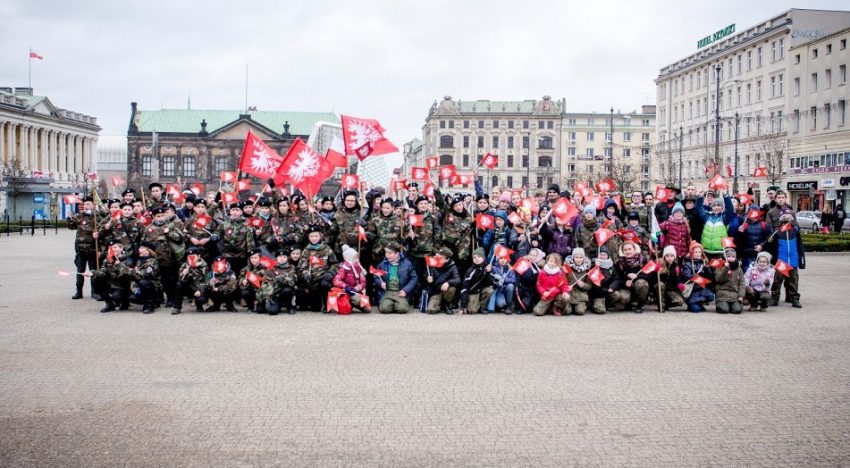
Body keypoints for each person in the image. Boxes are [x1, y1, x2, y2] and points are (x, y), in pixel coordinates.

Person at [767, 213, 805, 308]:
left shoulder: (795, 232)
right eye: (785, 219)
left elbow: (800, 246)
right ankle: (774, 298)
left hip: (793, 260)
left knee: (793, 282)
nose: (787, 221)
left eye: (789, 219)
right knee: (777, 282)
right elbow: (770, 245)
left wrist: (801, 260)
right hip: (781, 261)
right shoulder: (777, 232)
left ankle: (794, 299)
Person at [298, 226, 338, 312]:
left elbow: (335, 264)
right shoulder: (306, 251)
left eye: (316, 236)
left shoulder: (327, 249)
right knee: (315, 308)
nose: (314, 238)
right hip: (312, 281)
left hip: (323, 279)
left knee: (325, 285)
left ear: (320, 236)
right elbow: (302, 267)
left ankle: (327, 305)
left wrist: (330, 273)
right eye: (311, 236)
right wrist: (305, 273)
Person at [68, 196, 100, 300]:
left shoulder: (98, 217)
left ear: (93, 205)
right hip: (80, 249)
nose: (86, 206)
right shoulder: (79, 216)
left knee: (93, 271)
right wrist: (69, 218)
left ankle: (95, 291)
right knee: (80, 270)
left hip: (93, 248)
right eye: (85, 204)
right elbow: (71, 226)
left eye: (88, 204)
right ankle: (79, 292)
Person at [87, 239, 133, 312]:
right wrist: (92, 273)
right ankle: (109, 304)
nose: (113, 249)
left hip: (124, 285)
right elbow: (103, 271)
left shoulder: (128, 259)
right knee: (97, 279)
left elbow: (129, 273)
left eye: (115, 247)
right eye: (112, 248)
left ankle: (125, 302)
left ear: (121, 248)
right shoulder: (108, 259)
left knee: (116, 296)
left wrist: (119, 265)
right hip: (112, 283)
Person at [374, 242, 418, 314]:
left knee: (402, 309)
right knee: (384, 309)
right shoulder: (382, 264)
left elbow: (414, 278)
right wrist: (380, 283)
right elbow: (376, 276)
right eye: (386, 252)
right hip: (387, 291)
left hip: (400, 291)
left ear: (397, 254)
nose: (386, 255)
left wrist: (405, 290)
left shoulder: (407, 263)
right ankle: (389, 303)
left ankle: (397, 303)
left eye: (389, 253)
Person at [695, 190, 735, 257]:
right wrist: (700, 197)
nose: (716, 207)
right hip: (706, 250)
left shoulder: (724, 217)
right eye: (714, 206)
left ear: (722, 208)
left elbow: (730, 209)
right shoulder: (707, 216)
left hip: (719, 251)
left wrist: (726, 196)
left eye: (719, 205)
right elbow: (699, 209)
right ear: (711, 207)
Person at [616, 240, 652, 313]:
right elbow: (617, 278)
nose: (628, 251)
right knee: (623, 298)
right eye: (625, 250)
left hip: (639, 285)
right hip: (627, 287)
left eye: (630, 249)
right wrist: (625, 281)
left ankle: (640, 304)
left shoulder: (643, 260)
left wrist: (636, 276)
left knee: (641, 283)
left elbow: (650, 277)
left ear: (634, 249)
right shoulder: (620, 263)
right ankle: (629, 303)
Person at [424, 247, 461, 315]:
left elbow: (458, 280)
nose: (436, 257)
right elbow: (427, 275)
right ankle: (441, 304)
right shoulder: (433, 264)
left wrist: (448, 282)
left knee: (452, 289)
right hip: (437, 290)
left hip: (447, 290)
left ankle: (447, 305)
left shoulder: (453, 267)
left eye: (439, 256)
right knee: (431, 310)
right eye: (437, 255)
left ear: (446, 258)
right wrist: (428, 278)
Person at [332, 245, 369, 313]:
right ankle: (346, 303)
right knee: (345, 309)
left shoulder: (359, 268)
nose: (357, 260)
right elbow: (336, 280)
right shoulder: (343, 268)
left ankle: (353, 303)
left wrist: (355, 289)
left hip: (355, 291)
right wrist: (345, 286)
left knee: (367, 309)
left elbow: (363, 282)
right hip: (345, 291)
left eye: (357, 258)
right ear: (348, 258)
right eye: (354, 258)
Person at [172, 247, 208, 314]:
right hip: (188, 288)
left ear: (199, 256)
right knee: (179, 285)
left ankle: (199, 305)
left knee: (202, 299)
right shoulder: (184, 265)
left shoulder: (204, 266)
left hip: (198, 288)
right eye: (189, 256)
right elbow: (181, 280)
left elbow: (206, 281)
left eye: (193, 256)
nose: (191, 258)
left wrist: (200, 290)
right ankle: (177, 307)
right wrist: (185, 274)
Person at [458, 248, 493, 314]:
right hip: (473, 291)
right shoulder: (470, 271)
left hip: (482, 290)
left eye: (479, 257)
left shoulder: (488, 268)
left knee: (489, 290)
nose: (476, 258)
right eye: (474, 257)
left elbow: (491, 283)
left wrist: (488, 272)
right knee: (472, 311)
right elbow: (464, 288)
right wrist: (463, 306)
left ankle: (482, 307)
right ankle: (467, 304)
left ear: (483, 258)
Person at [682, 242, 714, 312]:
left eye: (699, 252)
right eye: (695, 252)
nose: (698, 254)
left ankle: (701, 303)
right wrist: (697, 278)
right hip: (693, 288)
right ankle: (691, 304)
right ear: (691, 253)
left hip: (702, 287)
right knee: (695, 310)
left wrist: (707, 268)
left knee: (711, 296)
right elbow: (687, 275)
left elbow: (710, 276)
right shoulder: (688, 263)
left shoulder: (704, 262)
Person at [131, 241, 162, 314]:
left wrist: (133, 271)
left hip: (153, 285)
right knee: (132, 297)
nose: (139, 249)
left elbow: (147, 275)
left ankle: (149, 306)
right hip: (141, 284)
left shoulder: (153, 261)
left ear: (148, 251)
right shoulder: (139, 261)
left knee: (143, 282)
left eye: (142, 248)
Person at [714, 247, 746, 314]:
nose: (731, 258)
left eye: (733, 256)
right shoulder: (719, 266)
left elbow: (742, 283)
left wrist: (741, 295)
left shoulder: (739, 269)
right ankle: (720, 304)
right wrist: (725, 268)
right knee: (724, 310)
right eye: (728, 256)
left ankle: (734, 305)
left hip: (734, 295)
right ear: (725, 257)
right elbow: (720, 280)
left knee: (737, 310)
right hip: (722, 294)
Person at [589, 247, 619, 314]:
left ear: (607, 255)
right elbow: (593, 281)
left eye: (604, 255)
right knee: (600, 310)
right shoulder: (593, 265)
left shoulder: (611, 265)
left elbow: (616, 278)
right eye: (601, 254)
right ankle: (595, 304)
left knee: (616, 295)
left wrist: (612, 287)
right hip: (598, 293)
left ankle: (608, 305)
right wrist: (595, 267)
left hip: (609, 289)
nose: (602, 256)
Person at [515, 248, 544, 314]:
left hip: (534, 289)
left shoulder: (537, 266)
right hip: (524, 288)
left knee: (533, 305)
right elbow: (518, 275)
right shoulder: (523, 264)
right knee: (526, 303)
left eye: (534, 255)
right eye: (530, 254)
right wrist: (517, 285)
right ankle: (520, 307)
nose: (531, 257)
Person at [564, 248, 592, 316]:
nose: (578, 259)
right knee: (567, 311)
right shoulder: (567, 267)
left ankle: (578, 306)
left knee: (580, 311)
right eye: (576, 257)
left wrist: (583, 285)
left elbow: (589, 286)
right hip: (569, 293)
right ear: (573, 258)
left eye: (580, 257)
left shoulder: (587, 269)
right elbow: (561, 281)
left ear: (584, 258)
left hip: (580, 295)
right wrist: (566, 287)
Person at [658, 245, 685, 311]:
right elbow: (654, 278)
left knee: (680, 302)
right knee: (660, 285)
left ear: (674, 257)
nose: (669, 258)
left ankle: (667, 304)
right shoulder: (660, 264)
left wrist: (679, 284)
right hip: (660, 288)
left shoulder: (676, 267)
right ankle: (661, 304)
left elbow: (678, 278)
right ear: (664, 256)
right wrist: (657, 271)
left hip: (670, 289)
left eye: (671, 256)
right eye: (667, 256)